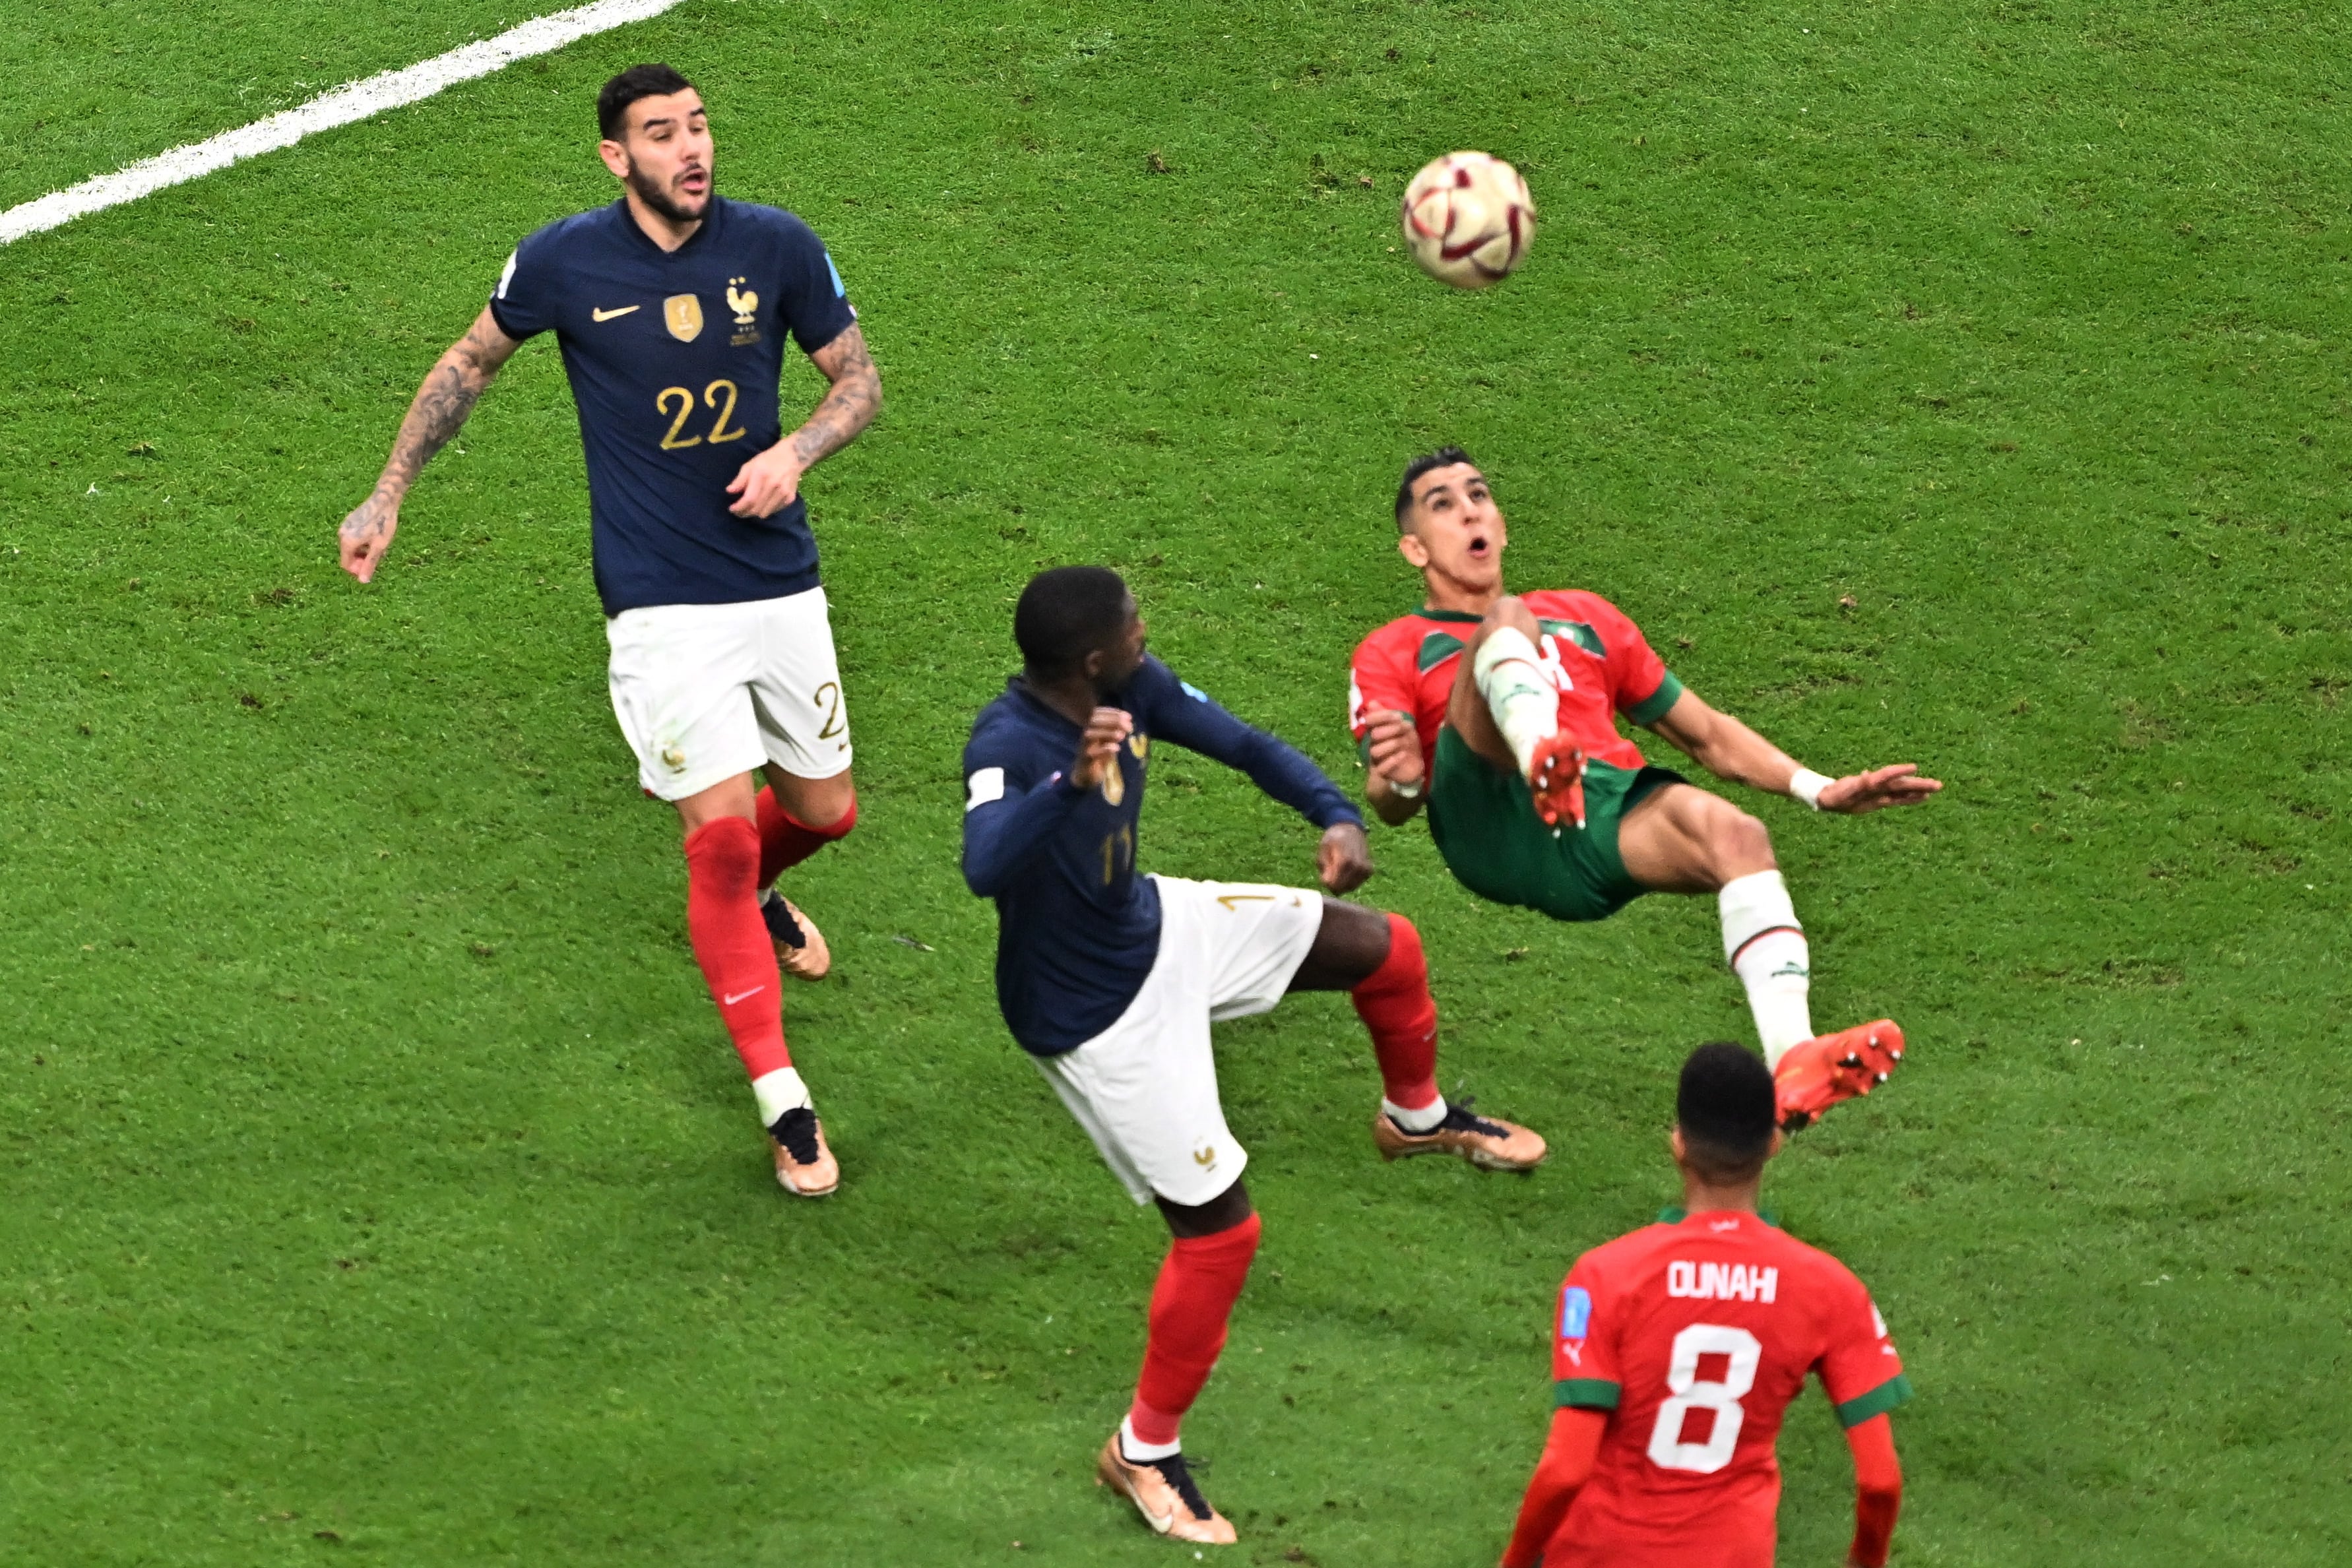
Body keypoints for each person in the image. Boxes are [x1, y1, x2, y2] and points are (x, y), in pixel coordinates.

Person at [336, 64, 881, 1197]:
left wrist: (798, 452)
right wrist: (388, 492)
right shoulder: (563, 262)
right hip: (658, 601)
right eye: (660, 134)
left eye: (699, 126)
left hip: (778, 582)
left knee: (825, 810)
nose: (692, 149)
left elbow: (858, 385)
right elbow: (469, 365)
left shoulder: (777, 246)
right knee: (721, 839)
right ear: (614, 157)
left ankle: (761, 897)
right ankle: (785, 1101)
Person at [963, 566, 1545, 1545]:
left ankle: (1417, 1117)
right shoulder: (1008, 743)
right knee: (1221, 1235)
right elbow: (983, 864)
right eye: (1135, 623)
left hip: (1156, 923)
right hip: (1094, 1014)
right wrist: (1069, 781)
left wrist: (1333, 812)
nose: (1150, 630)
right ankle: (1142, 1451)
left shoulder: (1129, 688)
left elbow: (1238, 742)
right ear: (1094, 656)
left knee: (1386, 947)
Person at [1349, 449, 1942, 1129]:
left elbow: (1708, 737)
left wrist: (1819, 788)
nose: (1470, 510)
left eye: (1479, 495)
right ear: (1413, 548)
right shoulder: (1394, 648)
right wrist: (1396, 780)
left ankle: (1793, 1060)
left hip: (1592, 808)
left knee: (1738, 838)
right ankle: (1540, 751)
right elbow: (1393, 801)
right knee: (1503, 623)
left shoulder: (1587, 618)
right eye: (1443, 503)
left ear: (1503, 526)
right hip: (1486, 813)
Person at [1500, 1042, 1909, 1568]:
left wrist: (1514, 1560)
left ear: (1678, 1144)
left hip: (1599, 1550)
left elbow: (1565, 1469)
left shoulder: (1603, 1275)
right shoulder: (1830, 1288)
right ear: (1771, 1144)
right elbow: (1880, 1480)